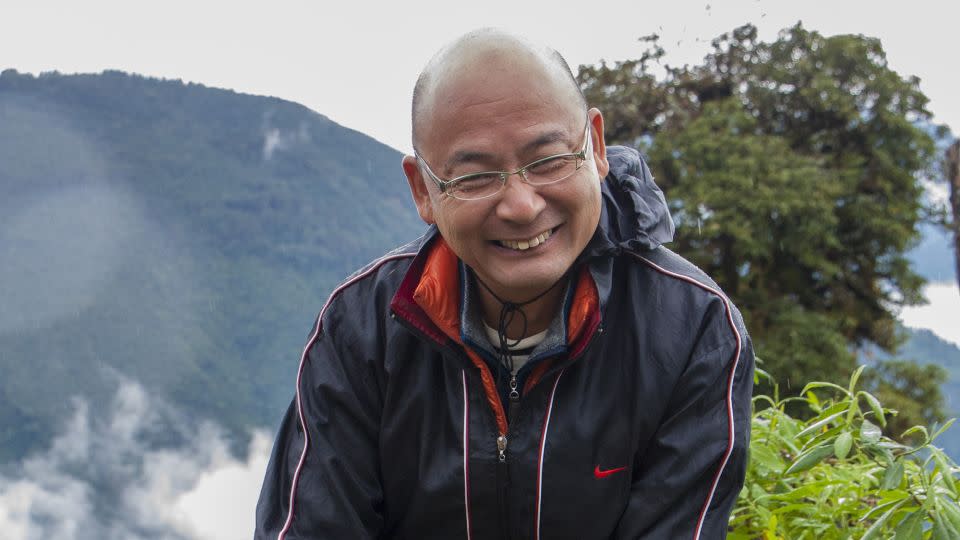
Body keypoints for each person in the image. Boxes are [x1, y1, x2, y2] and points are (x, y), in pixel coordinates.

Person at [255, 29, 754, 540]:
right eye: (474, 177)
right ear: (422, 190)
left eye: (550, 160)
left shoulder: (693, 330)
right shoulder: (360, 329)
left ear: (596, 146)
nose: (521, 206)